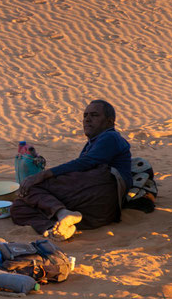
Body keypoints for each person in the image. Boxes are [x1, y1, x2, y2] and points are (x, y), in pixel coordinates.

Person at [10, 100, 132, 241]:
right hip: (89, 213)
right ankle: (57, 227)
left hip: (103, 195)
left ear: (110, 122)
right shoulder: (93, 143)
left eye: (94, 115)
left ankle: (62, 213)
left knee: (32, 186)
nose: (87, 119)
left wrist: (44, 175)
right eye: (85, 115)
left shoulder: (110, 137)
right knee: (18, 208)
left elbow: (86, 163)